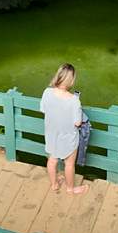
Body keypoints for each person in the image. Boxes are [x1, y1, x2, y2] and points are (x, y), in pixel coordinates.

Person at [40, 63, 89, 195]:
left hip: (51, 134)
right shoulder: (74, 100)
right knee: (69, 164)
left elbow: (44, 110)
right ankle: (70, 189)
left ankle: (54, 185)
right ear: (71, 80)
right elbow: (78, 123)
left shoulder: (47, 92)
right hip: (68, 137)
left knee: (52, 160)